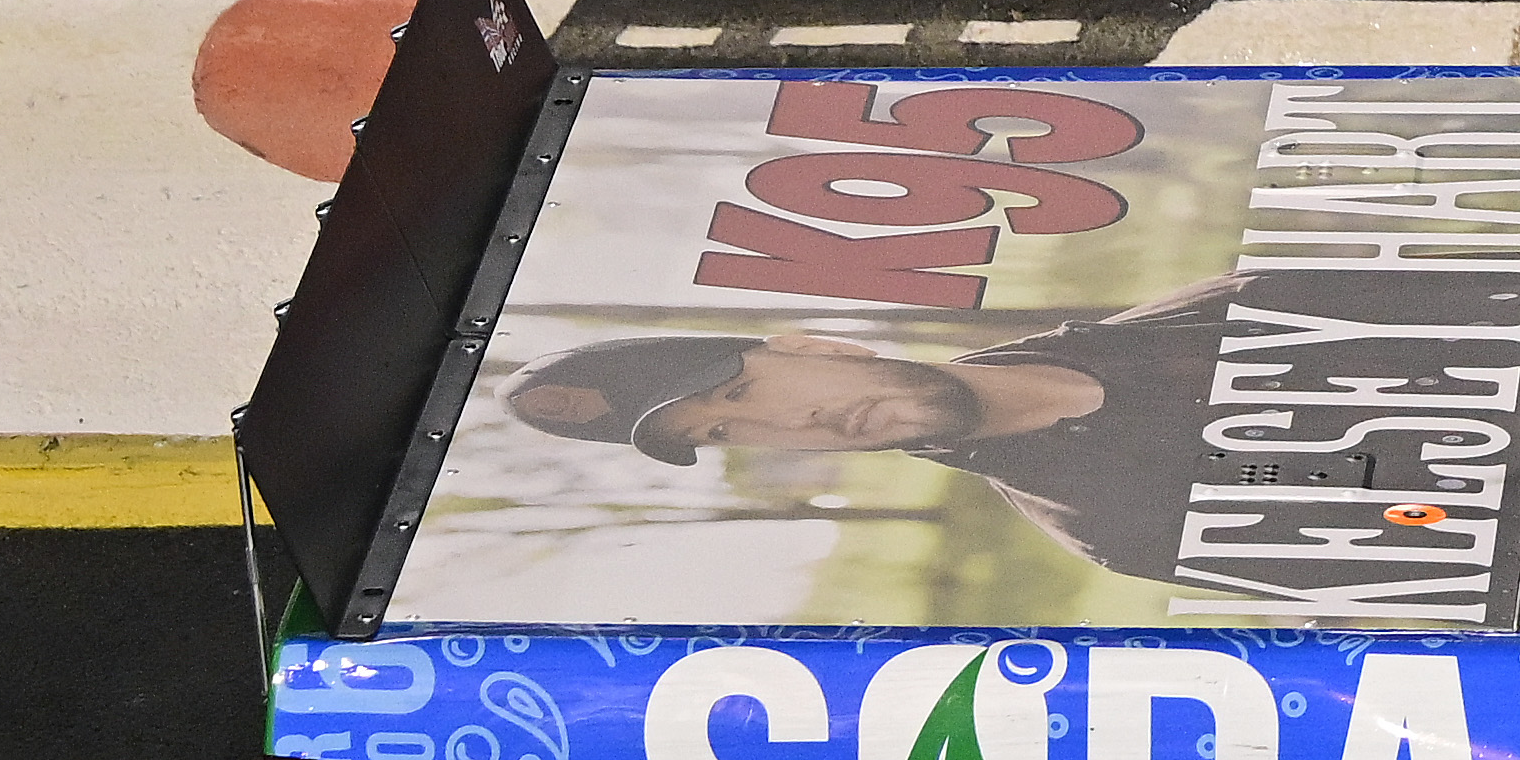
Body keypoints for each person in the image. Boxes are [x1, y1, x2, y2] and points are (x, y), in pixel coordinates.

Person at [506, 301, 1237, 589]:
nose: (797, 429)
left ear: (818, 344)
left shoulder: (1206, 313)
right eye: (721, 432)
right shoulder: (1119, 528)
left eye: (736, 394)